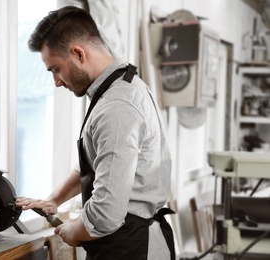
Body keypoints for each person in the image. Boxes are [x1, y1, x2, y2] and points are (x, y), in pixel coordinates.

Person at [15, 6, 174, 260]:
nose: (56, 81)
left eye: (55, 69)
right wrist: (54, 200)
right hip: (127, 242)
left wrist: (74, 230)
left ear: (78, 53)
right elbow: (100, 165)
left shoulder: (116, 107)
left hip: (130, 249)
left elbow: (105, 215)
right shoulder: (121, 86)